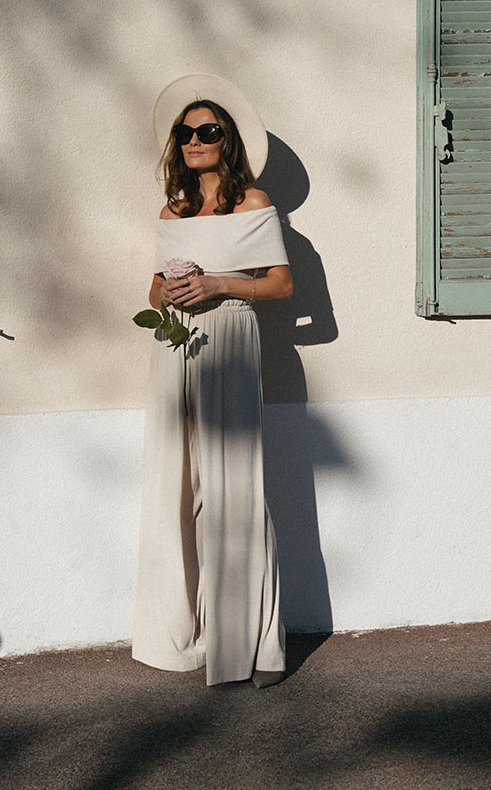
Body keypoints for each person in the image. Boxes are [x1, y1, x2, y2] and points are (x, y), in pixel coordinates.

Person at [132, 74, 293, 688]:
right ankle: (184, 636)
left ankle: (254, 645)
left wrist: (219, 284)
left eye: (208, 130)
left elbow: (281, 285)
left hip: (229, 339)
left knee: (234, 485)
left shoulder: (252, 203)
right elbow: (152, 289)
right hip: (175, 345)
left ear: (228, 140)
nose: (195, 140)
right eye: (185, 132)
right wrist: (171, 291)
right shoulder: (172, 211)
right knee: (175, 483)